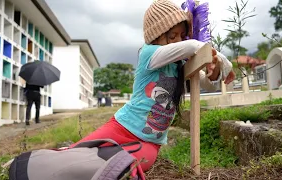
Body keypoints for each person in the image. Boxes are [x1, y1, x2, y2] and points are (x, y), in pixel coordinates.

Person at [70, 0, 236, 172]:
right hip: (121, 127)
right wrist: (225, 62)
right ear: (157, 34)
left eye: (182, 35)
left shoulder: (180, 65)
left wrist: (215, 67)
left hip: (150, 142)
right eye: (173, 36)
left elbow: (209, 85)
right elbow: (192, 46)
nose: (179, 40)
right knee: (75, 153)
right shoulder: (149, 53)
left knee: (125, 165)